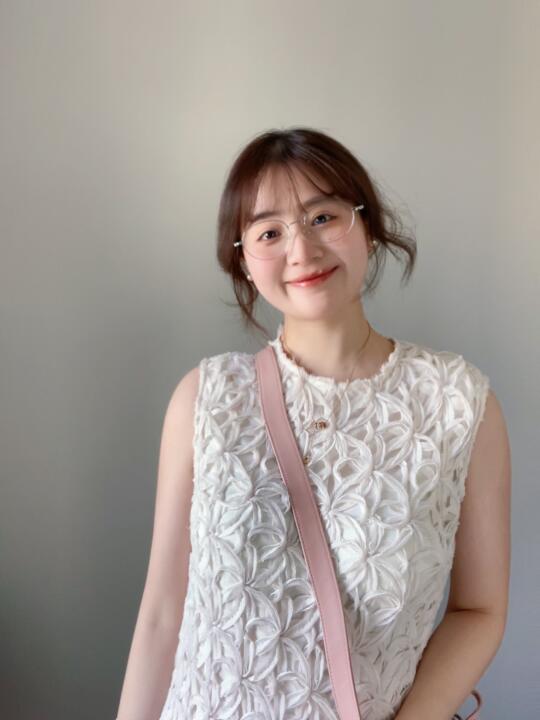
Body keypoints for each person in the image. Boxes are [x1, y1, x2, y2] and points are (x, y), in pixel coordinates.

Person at [115, 126, 511, 720]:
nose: (301, 250)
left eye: (323, 217)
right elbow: (162, 612)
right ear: (244, 261)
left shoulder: (458, 402)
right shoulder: (205, 398)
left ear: (367, 225)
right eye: (269, 232)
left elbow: (479, 609)